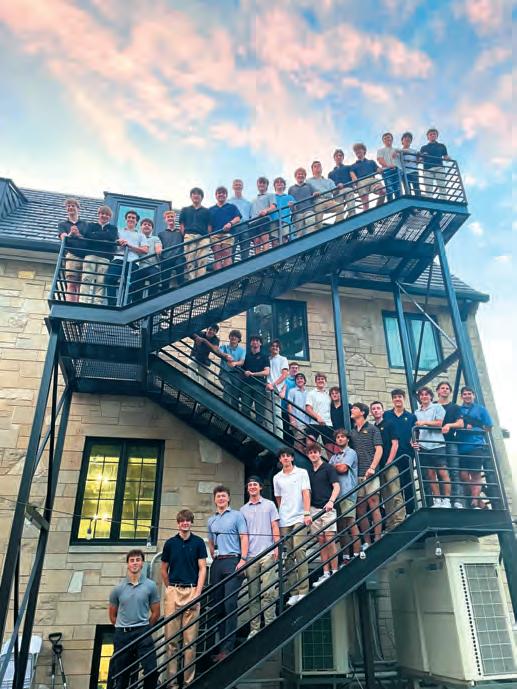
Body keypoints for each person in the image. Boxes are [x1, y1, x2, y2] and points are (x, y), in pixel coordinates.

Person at [161, 509, 207, 688]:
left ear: (191, 522)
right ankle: (172, 684)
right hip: (173, 590)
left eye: (188, 520)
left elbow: (202, 568)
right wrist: (169, 588)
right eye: (182, 521)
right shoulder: (170, 543)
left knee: (190, 642)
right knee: (171, 641)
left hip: (192, 591)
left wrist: (198, 593)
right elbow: (163, 569)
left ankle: (188, 682)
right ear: (178, 523)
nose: (185, 523)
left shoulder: (198, 543)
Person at [108, 550, 160, 689]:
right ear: (128, 564)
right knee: (121, 674)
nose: (135, 563)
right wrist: (122, 626)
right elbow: (112, 615)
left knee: (151, 669)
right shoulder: (118, 589)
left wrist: (145, 628)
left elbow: (156, 612)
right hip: (122, 634)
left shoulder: (151, 586)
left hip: (143, 631)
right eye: (132, 560)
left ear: (142, 563)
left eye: (138, 560)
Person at [207, 485, 248, 661]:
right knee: (218, 606)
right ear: (215, 499)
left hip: (233, 560)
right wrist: (213, 554)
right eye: (218, 496)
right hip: (218, 562)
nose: (221, 499)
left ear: (228, 498)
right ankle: (222, 646)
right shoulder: (211, 520)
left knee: (230, 603)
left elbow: (244, 537)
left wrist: (243, 559)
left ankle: (228, 647)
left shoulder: (237, 516)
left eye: (224, 496)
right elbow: (211, 541)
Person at [240, 476, 280, 639]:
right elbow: (242, 535)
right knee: (253, 594)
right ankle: (254, 629)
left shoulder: (269, 505)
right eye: (250, 485)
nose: (252, 487)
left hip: (268, 553)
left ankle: (270, 624)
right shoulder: (243, 510)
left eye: (255, 484)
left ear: (260, 487)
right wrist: (243, 556)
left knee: (269, 591)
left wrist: (277, 546)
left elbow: (275, 526)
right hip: (251, 556)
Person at [273, 448, 312, 606]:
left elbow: (306, 493)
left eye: (288, 456)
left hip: (300, 516)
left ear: (292, 458)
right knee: (288, 555)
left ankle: (303, 590)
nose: (285, 458)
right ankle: (294, 592)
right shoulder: (277, 477)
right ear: (280, 460)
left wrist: (307, 513)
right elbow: (278, 498)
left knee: (299, 550)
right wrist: (282, 513)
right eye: (283, 456)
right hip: (284, 519)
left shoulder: (301, 472)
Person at [350, 403, 383, 547]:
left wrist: (372, 468)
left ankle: (378, 539)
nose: (352, 410)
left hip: (370, 473)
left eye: (355, 409)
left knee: (373, 504)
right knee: (360, 509)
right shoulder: (352, 432)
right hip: (357, 475)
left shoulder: (372, 429)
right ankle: (367, 542)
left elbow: (379, 449)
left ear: (362, 412)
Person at [307, 443, 340, 586]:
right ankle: (326, 573)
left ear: (319, 453)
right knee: (321, 541)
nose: (313, 455)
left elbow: (336, 486)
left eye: (315, 452)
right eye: (310, 453)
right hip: (314, 509)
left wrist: (331, 501)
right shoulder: (309, 471)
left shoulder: (328, 468)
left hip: (328, 508)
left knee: (330, 539)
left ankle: (335, 570)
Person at [412, 386, 450, 508]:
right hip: (424, 446)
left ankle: (447, 500)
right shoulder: (416, 412)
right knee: (430, 474)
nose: (424, 396)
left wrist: (424, 423)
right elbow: (415, 430)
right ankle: (437, 500)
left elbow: (439, 423)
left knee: (443, 472)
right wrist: (413, 441)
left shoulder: (437, 407)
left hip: (437, 444)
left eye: (426, 394)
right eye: (422, 395)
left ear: (431, 396)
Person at [370, 401, 406, 529]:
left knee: (395, 493)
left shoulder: (389, 424)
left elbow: (395, 444)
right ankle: (391, 524)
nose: (376, 410)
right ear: (371, 412)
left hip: (390, 465)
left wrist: (389, 461)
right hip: (379, 467)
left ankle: (400, 520)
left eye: (378, 408)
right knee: (386, 497)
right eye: (373, 409)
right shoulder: (372, 427)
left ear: (383, 410)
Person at [458, 386, 494, 509]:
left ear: (473, 395)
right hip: (462, 446)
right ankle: (479, 501)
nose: (467, 396)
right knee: (463, 475)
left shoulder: (481, 409)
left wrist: (477, 431)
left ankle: (474, 500)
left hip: (476, 445)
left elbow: (489, 426)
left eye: (469, 393)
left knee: (475, 474)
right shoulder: (459, 410)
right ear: (461, 396)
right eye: (465, 394)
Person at [329, 429, 360, 562]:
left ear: (347, 439)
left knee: (350, 522)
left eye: (342, 437)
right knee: (341, 526)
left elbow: (342, 469)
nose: (340, 439)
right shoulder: (334, 456)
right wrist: (336, 466)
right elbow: (329, 471)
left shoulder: (351, 452)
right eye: (338, 437)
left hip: (348, 491)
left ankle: (357, 554)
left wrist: (334, 467)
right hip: (337, 494)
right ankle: (346, 556)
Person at [384, 389, 417, 513]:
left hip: (406, 453)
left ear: (404, 398)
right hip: (391, 454)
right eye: (395, 397)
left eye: (400, 396)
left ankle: (410, 511)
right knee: (393, 485)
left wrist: (415, 442)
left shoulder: (411, 417)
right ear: (392, 400)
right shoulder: (386, 415)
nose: (397, 399)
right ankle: (396, 513)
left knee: (407, 482)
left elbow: (416, 433)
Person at [105, 209, 148, 306]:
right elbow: (111, 244)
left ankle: (125, 305)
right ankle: (112, 304)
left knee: (130, 284)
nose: (131, 219)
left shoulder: (140, 235)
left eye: (133, 218)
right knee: (110, 278)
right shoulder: (118, 232)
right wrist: (118, 242)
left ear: (136, 221)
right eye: (129, 217)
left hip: (133, 261)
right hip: (118, 259)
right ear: (125, 220)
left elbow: (145, 250)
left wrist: (130, 246)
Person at [81, 205, 118, 305]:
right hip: (90, 255)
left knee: (101, 281)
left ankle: (98, 302)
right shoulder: (90, 225)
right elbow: (87, 235)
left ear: (110, 217)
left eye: (107, 214)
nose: (104, 216)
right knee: (86, 278)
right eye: (102, 213)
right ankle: (83, 300)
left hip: (105, 258)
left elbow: (111, 237)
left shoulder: (113, 228)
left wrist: (95, 235)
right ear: (99, 214)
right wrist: (104, 237)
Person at [436, 381, 465, 509]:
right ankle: (444, 500)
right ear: (438, 391)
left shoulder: (454, 407)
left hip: (450, 442)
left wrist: (449, 425)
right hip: (436, 443)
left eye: (447, 388)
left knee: (454, 471)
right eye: (442, 388)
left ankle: (457, 500)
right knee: (440, 473)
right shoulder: (433, 406)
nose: (445, 390)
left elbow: (461, 423)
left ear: (450, 391)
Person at [57, 198, 89, 302]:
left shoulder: (85, 224)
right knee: (71, 283)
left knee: (81, 284)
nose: (70, 207)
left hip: (85, 256)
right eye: (68, 206)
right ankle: (70, 304)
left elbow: (89, 240)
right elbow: (63, 238)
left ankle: (78, 305)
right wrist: (71, 233)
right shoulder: (62, 224)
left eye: (73, 206)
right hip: (72, 255)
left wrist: (78, 234)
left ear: (78, 208)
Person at [179, 188, 211, 281]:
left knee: (203, 259)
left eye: (198, 194)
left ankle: (200, 280)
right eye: (194, 194)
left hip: (203, 237)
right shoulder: (185, 209)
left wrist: (208, 237)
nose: (196, 196)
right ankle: (192, 280)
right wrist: (184, 235)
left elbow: (209, 226)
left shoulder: (207, 211)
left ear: (202, 197)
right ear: (191, 196)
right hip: (189, 235)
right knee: (190, 260)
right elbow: (182, 224)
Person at [241, 335, 272, 429]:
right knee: (245, 410)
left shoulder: (264, 356)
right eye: (253, 340)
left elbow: (267, 372)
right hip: (246, 385)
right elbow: (241, 368)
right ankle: (247, 430)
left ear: (260, 343)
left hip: (259, 386)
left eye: (257, 341)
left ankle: (258, 433)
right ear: (250, 343)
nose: (255, 342)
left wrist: (253, 374)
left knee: (260, 412)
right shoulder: (246, 355)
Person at [208, 187, 241, 270]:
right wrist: (209, 236)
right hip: (214, 235)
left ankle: (227, 275)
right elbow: (209, 225)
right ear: (216, 195)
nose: (221, 195)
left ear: (226, 195)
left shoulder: (232, 207)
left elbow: (238, 218)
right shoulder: (211, 209)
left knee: (227, 253)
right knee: (217, 255)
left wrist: (230, 223)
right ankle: (218, 276)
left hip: (228, 234)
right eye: (219, 193)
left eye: (223, 193)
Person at [305, 373, 334, 458]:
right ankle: (309, 463)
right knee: (310, 443)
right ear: (315, 381)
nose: (320, 380)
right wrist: (318, 417)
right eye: (318, 379)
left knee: (330, 449)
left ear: (325, 381)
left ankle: (331, 465)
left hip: (328, 423)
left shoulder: (329, 394)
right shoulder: (311, 393)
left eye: (322, 379)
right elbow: (308, 408)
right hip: (314, 422)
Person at [350, 143, 385, 211]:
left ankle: (378, 208)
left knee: (383, 191)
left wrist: (380, 170)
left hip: (372, 180)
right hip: (361, 182)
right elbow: (353, 177)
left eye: (359, 149)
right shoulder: (353, 166)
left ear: (364, 150)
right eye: (355, 150)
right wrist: (355, 184)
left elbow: (378, 169)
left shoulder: (371, 162)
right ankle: (366, 212)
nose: (357, 151)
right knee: (365, 203)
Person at [266, 339, 289, 437]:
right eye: (273, 346)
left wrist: (274, 384)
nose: (275, 347)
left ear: (279, 348)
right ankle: (271, 438)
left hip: (276, 388)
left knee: (277, 415)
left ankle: (279, 438)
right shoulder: (268, 359)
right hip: (267, 387)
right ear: (270, 348)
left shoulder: (283, 359)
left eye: (277, 346)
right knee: (268, 415)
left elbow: (284, 375)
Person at [135, 218, 162, 299]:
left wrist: (158, 250)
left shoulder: (155, 238)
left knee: (155, 278)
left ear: (152, 229)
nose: (147, 226)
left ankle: (150, 300)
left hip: (152, 266)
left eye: (149, 225)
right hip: (139, 266)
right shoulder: (137, 237)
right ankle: (137, 302)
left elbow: (158, 247)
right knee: (136, 283)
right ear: (141, 227)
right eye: (145, 224)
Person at [419, 128, 450, 199]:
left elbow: (446, 156)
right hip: (427, 169)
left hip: (439, 167)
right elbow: (420, 159)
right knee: (428, 188)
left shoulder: (442, 146)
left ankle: (444, 200)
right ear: (428, 137)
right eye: (430, 134)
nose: (432, 135)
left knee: (442, 186)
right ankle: (429, 202)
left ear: (437, 136)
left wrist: (448, 158)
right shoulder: (423, 148)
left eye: (434, 134)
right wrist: (422, 156)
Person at [219, 329, 246, 408]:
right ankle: (225, 407)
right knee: (228, 385)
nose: (233, 337)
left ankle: (235, 409)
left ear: (239, 339)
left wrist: (235, 363)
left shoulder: (242, 350)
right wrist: (225, 355)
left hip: (236, 374)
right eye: (232, 336)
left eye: (236, 336)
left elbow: (242, 361)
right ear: (229, 337)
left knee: (236, 391)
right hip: (224, 373)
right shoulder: (224, 347)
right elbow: (219, 352)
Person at [249, 177, 276, 255]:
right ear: (257, 185)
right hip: (253, 222)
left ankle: (266, 256)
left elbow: (273, 206)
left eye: (264, 183)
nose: (262, 184)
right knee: (256, 241)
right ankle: (257, 258)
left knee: (265, 238)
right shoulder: (253, 199)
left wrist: (266, 210)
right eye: (260, 183)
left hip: (264, 219)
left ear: (267, 185)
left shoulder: (270, 195)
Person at [158, 210, 185, 289]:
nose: (170, 218)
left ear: (175, 218)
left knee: (181, 280)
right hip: (166, 258)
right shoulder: (161, 234)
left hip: (179, 257)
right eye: (168, 217)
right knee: (165, 282)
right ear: (165, 220)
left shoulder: (181, 233)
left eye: (172, 216)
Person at [307, 160, 337, 230]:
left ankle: (338, 224)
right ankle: (319, 228)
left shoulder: (329, 181)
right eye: (315, 166)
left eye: (319, 166)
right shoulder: (308, 181)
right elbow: (307, 193)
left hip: (329, 201)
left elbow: (335, 191)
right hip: (317, 200)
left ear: (321, 168)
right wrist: (313, 194)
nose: (317, 167)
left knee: (340, 207)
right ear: (312, 170)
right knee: (319, 204)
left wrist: (338, 187)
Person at [328, 149, 356, 221]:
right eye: (337, 156)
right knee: (339, 204)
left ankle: (352, 215)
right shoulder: (330, 173)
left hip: (348, 188)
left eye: (340, 155)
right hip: (337, 192)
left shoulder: (348, 167)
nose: (339, 157)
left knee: (349, 192)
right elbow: (330, 187)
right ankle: (339, 219)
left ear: (343, 157)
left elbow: (353, 177)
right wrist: (336, 188)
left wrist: (354, 185)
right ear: (334, 158)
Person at [288, 168, 316, 238]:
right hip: (297, 213)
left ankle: (311, 241)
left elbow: (315, 193)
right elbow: (289, 203)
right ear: (295, 176)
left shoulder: (309, 185)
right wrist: (291, 205)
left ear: (305, 176)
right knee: (299, 233)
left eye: (302, 174)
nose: (300, 175)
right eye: (299, 174)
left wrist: (316, 193)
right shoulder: (291, 189)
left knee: (310, 222)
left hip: (309, 210)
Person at [229, 179, 252, 261]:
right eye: (236, 184)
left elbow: (250, 216)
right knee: (231, 250)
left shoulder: (248, 203)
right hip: (233, 227)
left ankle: (245, 267)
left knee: (245, 249)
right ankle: (230, 267)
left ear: (242, 187)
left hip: (245, 226)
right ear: (233, 187)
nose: (238, 186)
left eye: (239, 184)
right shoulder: (228, 202)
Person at [287, 372, 311, 452]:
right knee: (299, 444)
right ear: (295, 381)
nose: (299, 380)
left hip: (308, 422)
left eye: (301, 378)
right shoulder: (292, 391)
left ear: (305, 381)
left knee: (309, 445)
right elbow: (289, 406)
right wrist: (292, 420)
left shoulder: (309, 393)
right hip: (297, 422)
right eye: (297, 379)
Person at [377, 132, 401, 202]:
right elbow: (380, 160)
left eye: (388, 137)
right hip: (387, 171)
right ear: (383, 141)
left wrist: (397, 151)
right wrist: (389, 166)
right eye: (385, 138)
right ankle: (391, 204)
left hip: (397, 170)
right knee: (389, 189)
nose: (387, 139)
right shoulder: (380, 150)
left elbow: (406, 151)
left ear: (392, 139)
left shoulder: (397, 149)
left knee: (398, 189)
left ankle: (399, 204)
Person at [271, 177, 295, 245]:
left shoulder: (289, 197)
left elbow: (294, 210)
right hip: (273, 221)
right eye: (277, 182)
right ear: (274, 185)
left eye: (281, 182)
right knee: (274, 241)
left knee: (285, 239)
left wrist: (292, 206)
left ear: (284, 185)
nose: (279, 183)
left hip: (285, 220)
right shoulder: (271, 197)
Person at [282, 362, 301, 443]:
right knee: (285, 430)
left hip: (295, 411)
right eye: (293, 368)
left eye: (296, 368)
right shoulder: (285, 380)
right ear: (289, 369)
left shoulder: (299, 381)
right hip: (284, 408)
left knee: (294, 434)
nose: (294, 369)